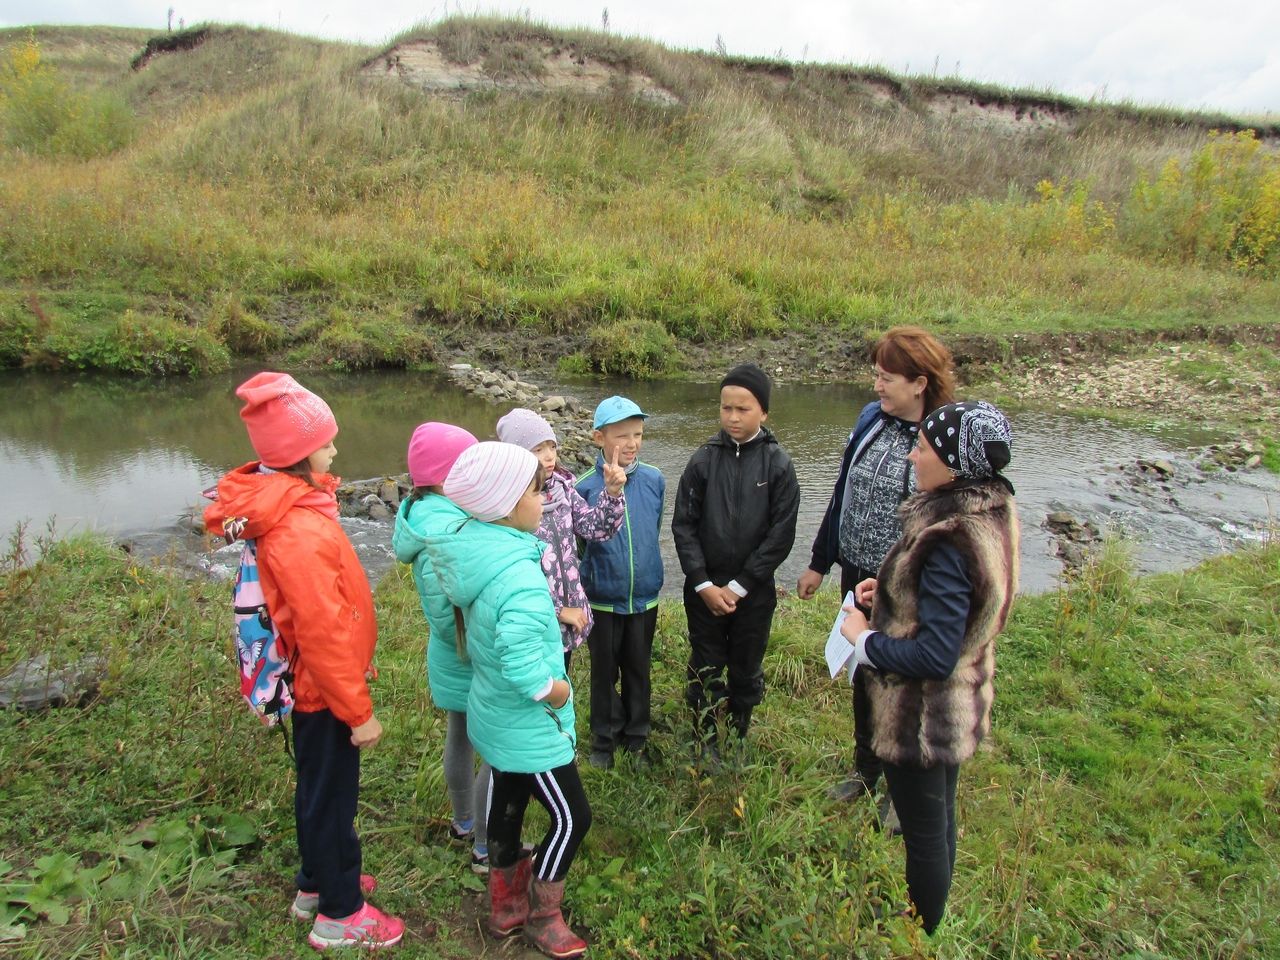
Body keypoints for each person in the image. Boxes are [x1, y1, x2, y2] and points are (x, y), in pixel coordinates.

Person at [203, 372, 403, 951]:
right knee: (333, 797)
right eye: (327, 441)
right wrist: (357, 709)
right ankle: (341, 913)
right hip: (321, 687)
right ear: (297, 455)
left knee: (317, 788)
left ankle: (315, 883)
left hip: (315, 684)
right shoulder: (295, 526)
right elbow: (322, 630)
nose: (337, 449)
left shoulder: (289, 504)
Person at [839, 400, 1020, 935]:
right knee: (941, 819)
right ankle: (925, 918)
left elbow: (935, 656)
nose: (914, 455)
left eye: (924, 447)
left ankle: (920, 934)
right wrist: (889, 593)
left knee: (924, 833)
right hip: (961, 703)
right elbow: (959, 610)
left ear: (953, 464)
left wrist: (865, 639)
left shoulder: (948, 538)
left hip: (921, 716)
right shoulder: (990, 512)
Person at [426, 442, 591, 959]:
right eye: (537, 491)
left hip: (491, 713)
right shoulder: (518, 576)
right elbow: (523, 663)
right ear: (506, 502)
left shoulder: (477, 552)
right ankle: (543, 914)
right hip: (529, 725)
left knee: (509, 804)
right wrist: (556, 689)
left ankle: (504, 908)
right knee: (573, 819)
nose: (544, 500)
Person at [796, 326, 955, 805]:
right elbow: (843, 491)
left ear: (920, 383)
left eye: (887, 378)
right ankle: (866, 770)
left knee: (905, 685)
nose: (877, 386)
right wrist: (819, 561)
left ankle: (903, 790)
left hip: (908, 586)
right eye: (876, 376)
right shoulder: (871, 419)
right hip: (857, 576)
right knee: (863, 674)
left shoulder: (941, 438)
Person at [671, 363, 800, 766]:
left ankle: (739, 728)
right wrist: (702, 583)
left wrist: (741, 584)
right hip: (704, 592)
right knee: (705, 662)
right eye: (726, 408)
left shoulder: (778, 465)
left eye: (743, 409)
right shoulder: (703, 461)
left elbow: (781, 535)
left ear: (764, 412)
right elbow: (684, 526)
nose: (732, 417)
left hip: (754, 593)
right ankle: (705, 736)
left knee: (746, 664)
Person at [390, 421, 493, 874]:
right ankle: (487, 847)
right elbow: (449, 607)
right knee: (495, 747)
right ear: (444, 476)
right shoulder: (447, 529)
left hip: (448, 654)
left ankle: (464, 820)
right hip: (471, 653)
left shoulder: (421, 514)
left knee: (460, 734)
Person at [495, 407, 627, 668]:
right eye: (537, 449)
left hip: (570, 614)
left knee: (559, 681)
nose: (548, 456)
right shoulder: (509, 507)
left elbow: (596, 528)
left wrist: (611, 493)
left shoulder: (563, 489)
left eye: (552, 447)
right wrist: (557, 610)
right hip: (537, 619)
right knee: (536, 685)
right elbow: (511, 577)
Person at [575, 396, 666, 770]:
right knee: (603, 671)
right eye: (621, 436)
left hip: (644, 597)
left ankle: (637, 735)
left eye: (638, 434)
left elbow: (654, 527)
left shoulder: (654, 480)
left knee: (638, 667)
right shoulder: (583, 487)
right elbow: (580, 544)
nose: (631, 444)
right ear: (599, 438)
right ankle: (603, 739)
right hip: (601, 599)